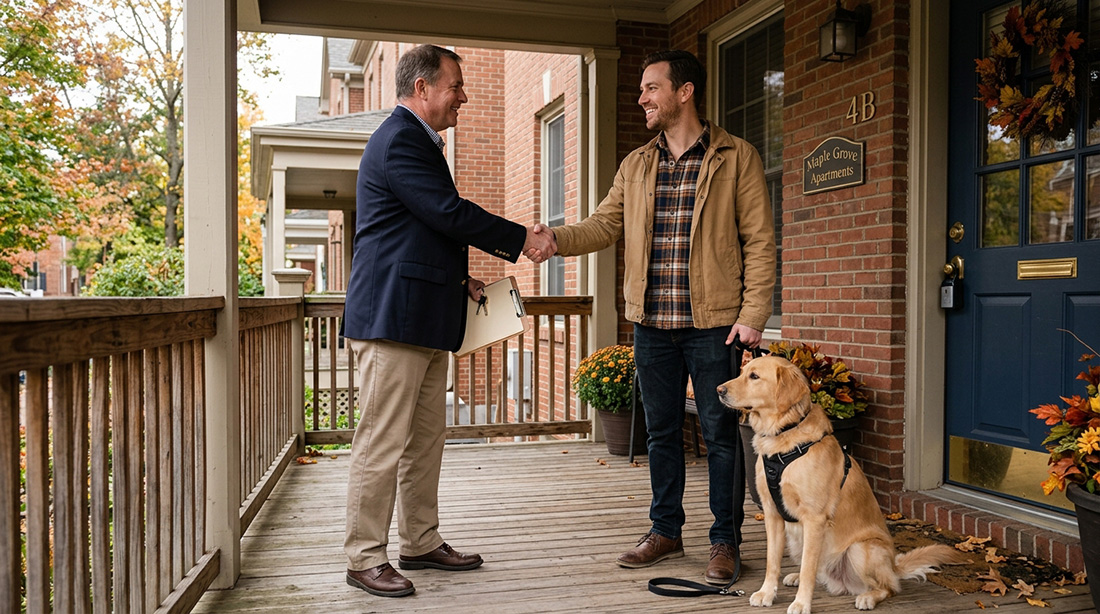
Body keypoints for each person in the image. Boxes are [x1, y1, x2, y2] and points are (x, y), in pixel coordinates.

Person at [530, 49, 776, 585]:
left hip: (715, 324)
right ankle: (665, 530)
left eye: (651, 88)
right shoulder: (637, 164)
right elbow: (603, 225)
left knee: (720, 434)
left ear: (684, 92)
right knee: (660, 433)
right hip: (652, 324)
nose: (641, 97)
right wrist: (556, 240)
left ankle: (725, 541)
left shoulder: (737, 157)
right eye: (642, 89)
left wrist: (754, 313)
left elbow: (760, 241)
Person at [341, 44, 554, 598]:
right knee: (381, 443)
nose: (464, 96)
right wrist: (521, 239)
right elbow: (446, 213)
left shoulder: (417, 142)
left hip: (425, 317)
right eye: (455, 85)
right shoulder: (400, 140)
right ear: (422, 88)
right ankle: (364, 556)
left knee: (425, 441)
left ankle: (419, 540)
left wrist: (459, 280)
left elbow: (418, 231)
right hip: (391, 320)